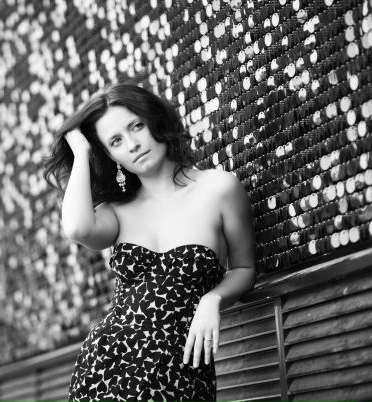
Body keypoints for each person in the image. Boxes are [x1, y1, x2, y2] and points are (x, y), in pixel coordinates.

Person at [43, 82, 255, 401]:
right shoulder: (117, 212)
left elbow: (243, 269)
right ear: (110, 155)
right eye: (116, 141)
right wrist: (82, 151)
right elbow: (76, 228)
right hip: (107, 371)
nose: (132, 144)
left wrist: (212, 300)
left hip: (180, 373)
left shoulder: (218, 188)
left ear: (154, 121)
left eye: (136, 126)